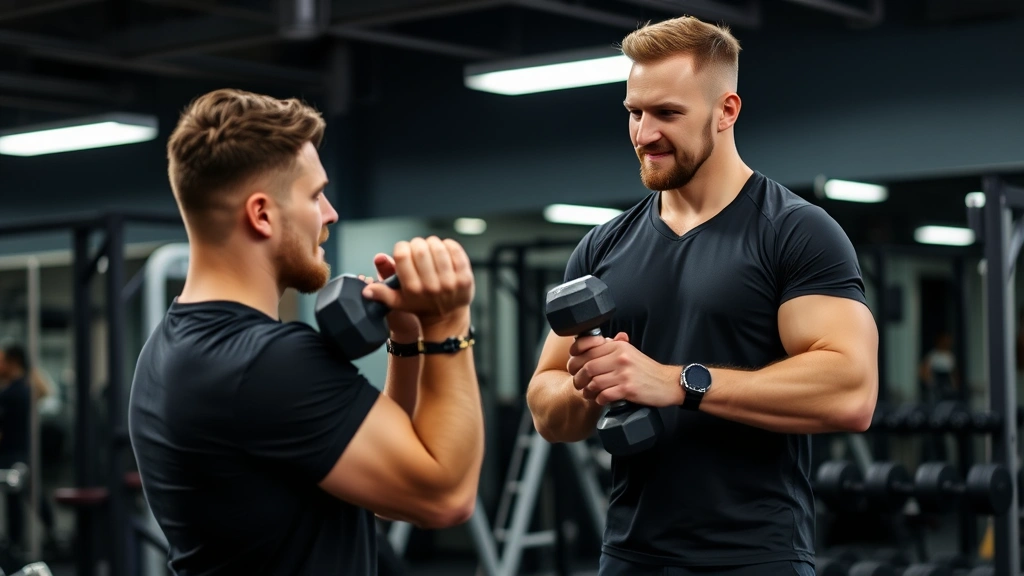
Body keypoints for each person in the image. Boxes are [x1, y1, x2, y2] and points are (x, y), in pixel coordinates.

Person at [526, 16, 879, 576]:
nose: (644, 134)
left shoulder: (793, 231)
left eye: (667, 113)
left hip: (755, 557)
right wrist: (591, 386)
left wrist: (674, 381)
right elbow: (548, 409)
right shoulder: (602, 247)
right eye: (634, 113)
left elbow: (851, 391)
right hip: (629, 555)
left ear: (726, 111)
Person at [128, 88, 484, 576]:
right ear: (261, 214)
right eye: (315, 195)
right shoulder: (266, 363)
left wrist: (406, 342)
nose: (330, 213)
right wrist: (449, 325)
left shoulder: (169, 348)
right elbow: (445, 497)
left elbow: (389, 486)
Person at [0, 345, 31, 556]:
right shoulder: (17, 389)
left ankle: (15, 545)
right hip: (16, 450)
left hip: (13, 451)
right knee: (23, 496)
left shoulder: (16, 391)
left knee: (17, 499)